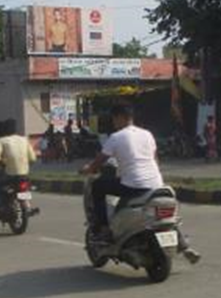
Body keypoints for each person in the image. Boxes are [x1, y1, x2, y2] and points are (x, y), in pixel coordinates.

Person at [81, 105, 200, 263]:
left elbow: (99, 162)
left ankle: (103, 229)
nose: (114, 123)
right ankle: (183, 246)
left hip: (134, 186)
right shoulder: (147, 134)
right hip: (157, 184)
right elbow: (155, 159)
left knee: (98, 186)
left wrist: (87, 169)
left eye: (114, 119)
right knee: (161, 215)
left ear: (120, 117)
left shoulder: (116, 137)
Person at [0, 119, 37, 210]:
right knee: (23, 188)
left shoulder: (1, 140)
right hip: (24, 174)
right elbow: (33, 158)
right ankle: (27, 207)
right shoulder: (24, 140)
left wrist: (1, 163)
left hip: (9, 174)